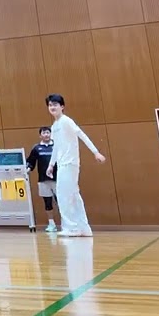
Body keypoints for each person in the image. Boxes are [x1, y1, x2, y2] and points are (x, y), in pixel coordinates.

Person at [46, 94, 106, 238]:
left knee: (63, 195)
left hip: (69, 163)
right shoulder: (54, 126)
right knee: (73, 195)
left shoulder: (66, 121)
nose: (52, 107)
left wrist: (96, 152)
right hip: (62, 164)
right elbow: (56, 147)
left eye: (55, 104)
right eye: (50, 105)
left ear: (62, 106)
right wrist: (51, 165)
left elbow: (81, 134)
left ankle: (72, 228)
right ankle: (83, 228)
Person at [26, 126, 60, 233]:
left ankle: (67, 223)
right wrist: (28, 168)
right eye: (44, 133)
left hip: (58, 179)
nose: (46, 135)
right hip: (43, 180)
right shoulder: (36, 148)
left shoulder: (57, 146)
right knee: (47, 202)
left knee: (61, 202)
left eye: (48, 133)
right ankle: (51, 224)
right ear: (40, 135)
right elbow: (31, 161)